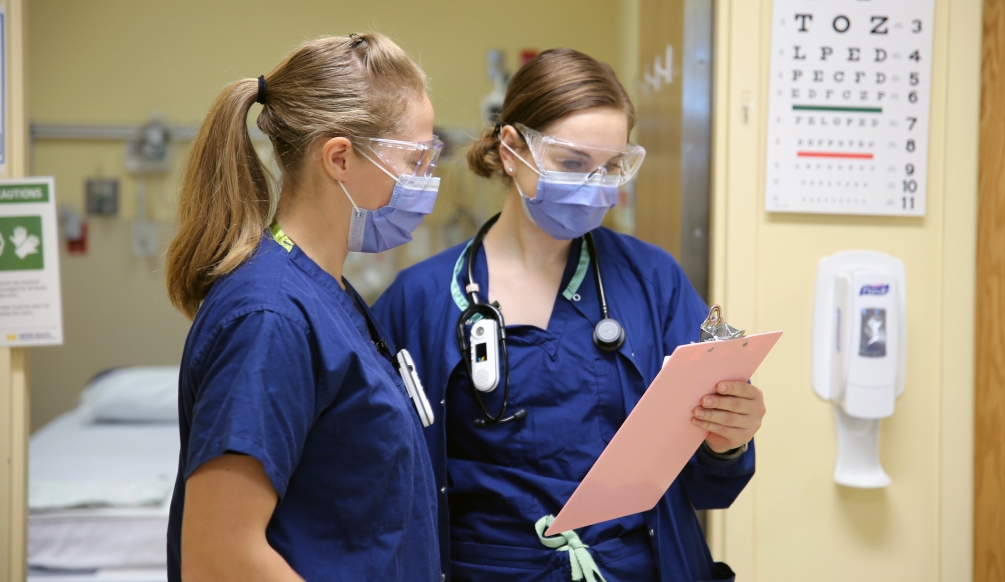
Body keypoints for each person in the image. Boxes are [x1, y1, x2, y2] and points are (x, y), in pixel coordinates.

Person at [372, 48, 766, 582]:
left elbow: (707, 485)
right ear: (512, 149)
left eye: (611, 167)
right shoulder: (420, 300)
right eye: (574, 164)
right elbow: (382, 484)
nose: (596, 185)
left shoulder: (651, 280)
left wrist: (729, 439)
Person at [165, 33, 443, 581]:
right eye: (414, 158)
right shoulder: (270, 319)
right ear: (339, 157)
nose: (425, 180)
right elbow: (220, 559)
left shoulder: (325, 292)